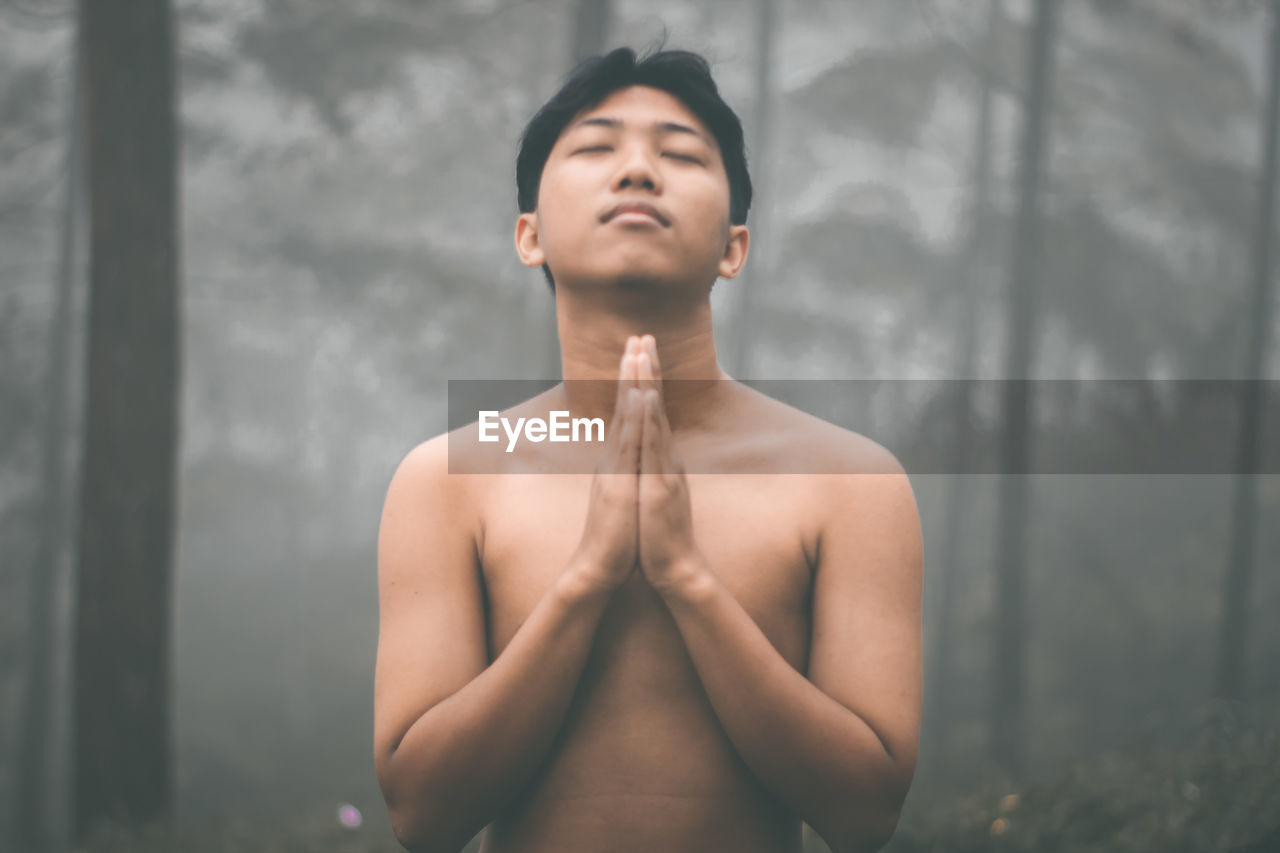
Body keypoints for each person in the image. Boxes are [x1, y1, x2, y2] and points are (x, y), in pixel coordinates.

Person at [373, 46, 923, 853]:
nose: (637, 171)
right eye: (597, 148)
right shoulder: (450, 479)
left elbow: (865, 815)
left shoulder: (851, 481)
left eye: (681, 154)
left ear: (734, 248)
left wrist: (686, 577)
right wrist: (588, 576)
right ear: (531, 236)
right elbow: (422, 817)